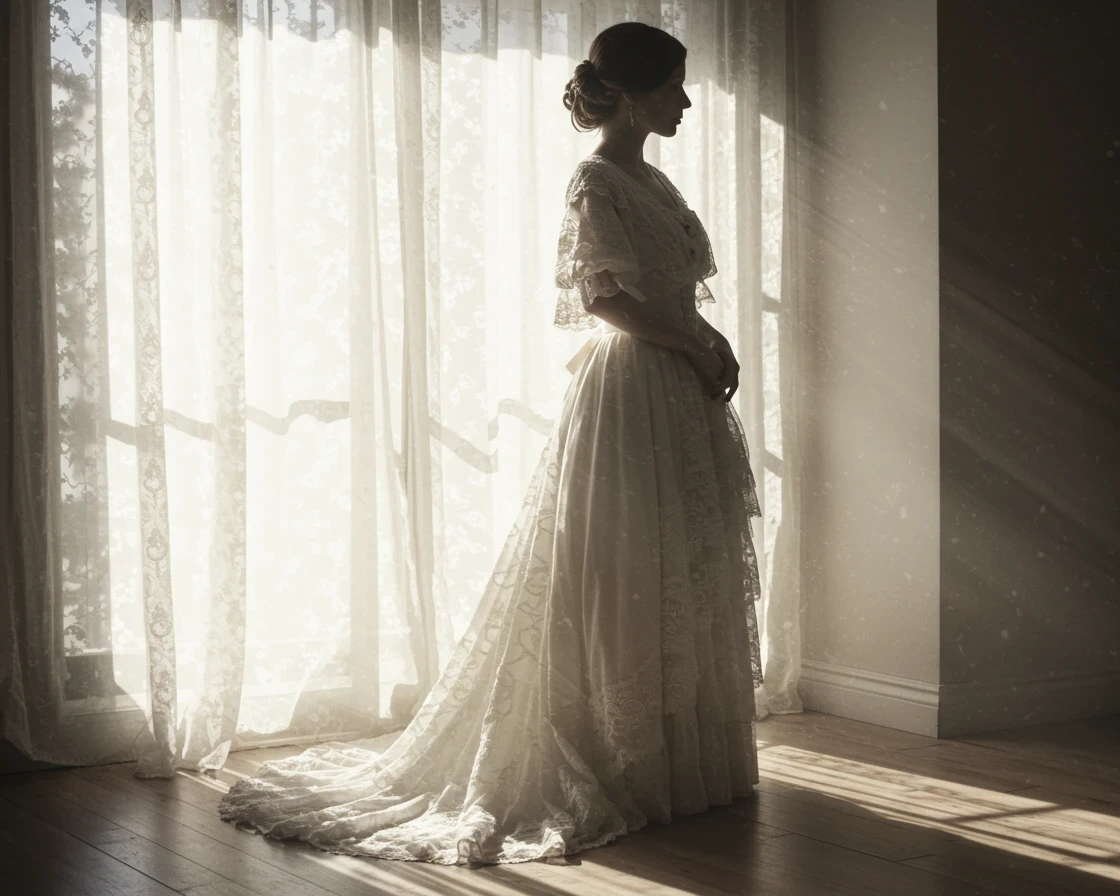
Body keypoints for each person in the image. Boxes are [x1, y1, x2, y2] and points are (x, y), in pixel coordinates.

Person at [217, 21, 763, 866]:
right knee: (622, 567)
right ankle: (619, 757)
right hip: (631, 391)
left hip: (678, 392)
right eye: (672, 88)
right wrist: (696, 344)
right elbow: (606, 300)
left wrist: (707, 341)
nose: (687, 101)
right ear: (627, 93)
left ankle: (677, 766)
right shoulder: (597, 181)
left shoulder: (654, 184)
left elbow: (669, 294)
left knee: (678, 562)